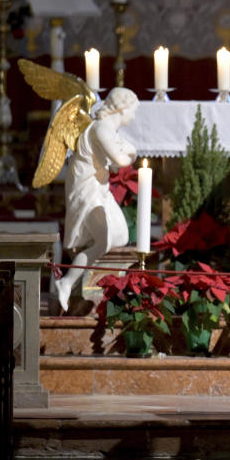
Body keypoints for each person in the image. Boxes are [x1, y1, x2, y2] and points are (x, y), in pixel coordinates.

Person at [56, 87, 140, 312]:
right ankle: (68, 283)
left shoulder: (109, 130)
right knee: (102, 240)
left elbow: (116, 160)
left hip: (99, 187)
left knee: (120, 235)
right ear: (122, 108)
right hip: (87, 188)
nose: (133, 116)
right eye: (133, 110)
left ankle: (82, 282)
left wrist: (129, 151)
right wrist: (131, 150)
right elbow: (121, 160)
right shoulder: (102, 128)